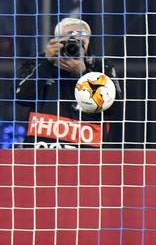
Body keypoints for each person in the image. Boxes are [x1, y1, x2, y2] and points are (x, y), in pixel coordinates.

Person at [15, 17, 122, 148]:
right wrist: (46, 62)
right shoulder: (40, 62)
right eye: (69, 39)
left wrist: (83, 74)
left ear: (88, 43)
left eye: (81, 40)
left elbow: (113, 108)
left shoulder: (101, 68)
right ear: (56, 41)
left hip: (88, 158)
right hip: (41, 155)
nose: (74, 45)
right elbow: (21, 97)